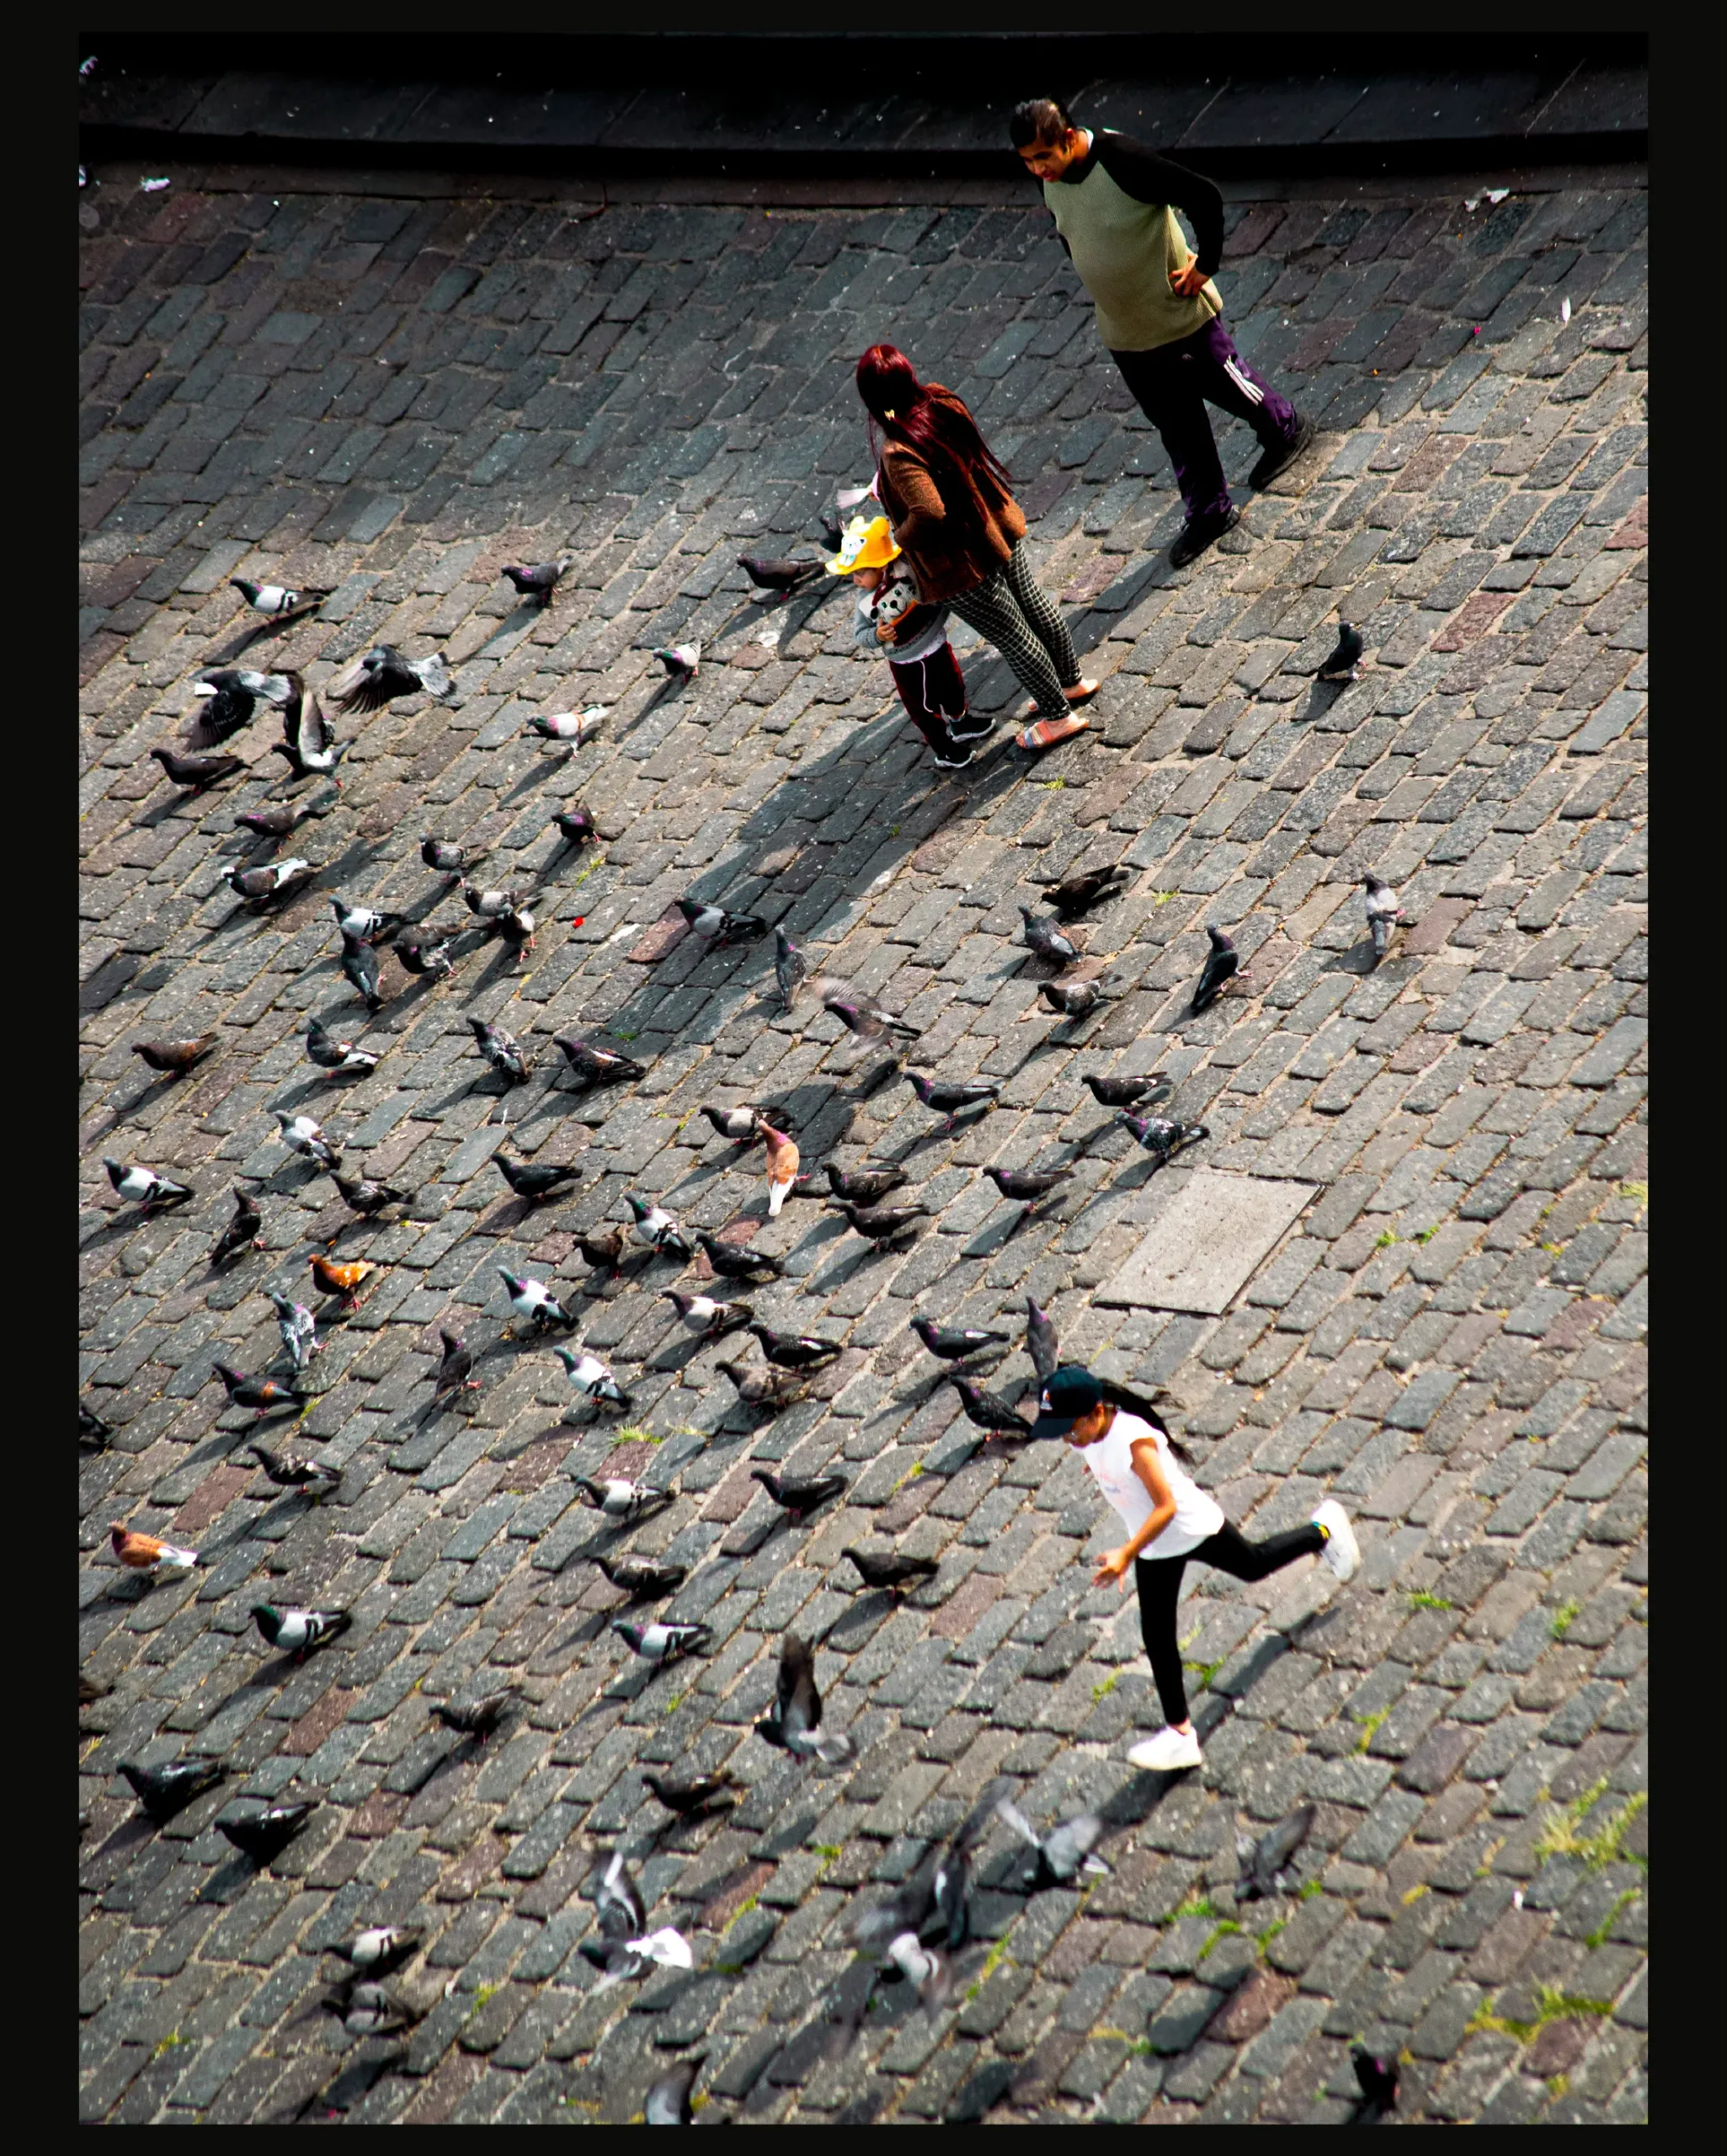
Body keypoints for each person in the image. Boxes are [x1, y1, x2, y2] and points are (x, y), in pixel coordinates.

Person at [1011, 97, 1314, 572]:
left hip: (1178, 316)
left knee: (1226, 382)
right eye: (1027, 161)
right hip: (1127, 332)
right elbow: (1070, 231)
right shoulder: (1050, 180)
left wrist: (1206, 264)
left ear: (1068, 139)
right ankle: (1210, 511)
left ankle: (1284, 428)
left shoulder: (1120, 160)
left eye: (1043, 157)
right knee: (1175, 424)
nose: (1037, 169)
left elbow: (1202, 196)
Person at [1031, 1364, 1359, 1773]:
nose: (1068, 1438)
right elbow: (1101, 1455)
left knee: (1254, 1565)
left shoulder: (1134, 1442)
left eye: (1070, 1429)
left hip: (1189, 1528)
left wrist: (1126, 1554)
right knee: (1157, 1636)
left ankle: (1323, 1530)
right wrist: (1098, 1463)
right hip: (1158, 1548)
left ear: (1097, 1412)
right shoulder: (1090, 1436)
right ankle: (1181, 1735)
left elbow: (1165, 1507)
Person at [855, 343, 1099, 754]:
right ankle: (1072, 682)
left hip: (960, 565)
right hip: (994, 527)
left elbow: (929, 510)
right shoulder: (941, 400)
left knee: (1012, 635)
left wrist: (900, 537)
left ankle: (1059, 716)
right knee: (1035, 605)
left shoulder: (898, 451)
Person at [828, 511, 975, 771]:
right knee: (924, 707)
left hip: (934, 641)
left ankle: (960, 721)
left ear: (882, 566)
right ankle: (944, 748)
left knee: (952, 683)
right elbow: (860, 635)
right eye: (853, 573)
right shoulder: (864, 603)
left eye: (861, 572)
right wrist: (876, 636)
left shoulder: (905, 569)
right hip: (907, 661)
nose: (856, 579)